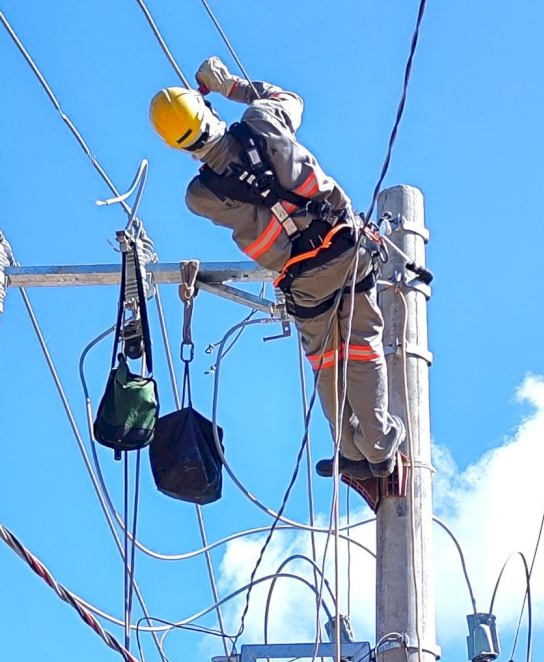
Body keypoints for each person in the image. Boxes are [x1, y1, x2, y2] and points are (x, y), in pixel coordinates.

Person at [149, 58, 404, 479]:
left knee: (327, 361)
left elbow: (219, 165)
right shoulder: (261, 120)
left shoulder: (199, 196)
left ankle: (350, 450)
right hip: (344, 247)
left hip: (302, 279)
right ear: (206, 110)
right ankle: (378, 449)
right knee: (361, 346)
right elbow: (290, 99)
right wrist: (230, 86)